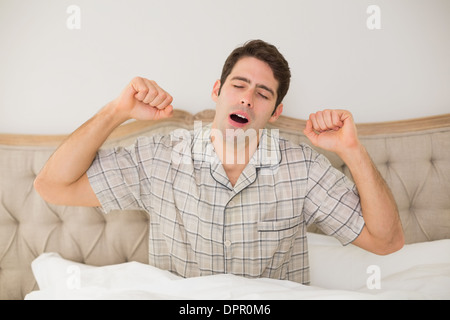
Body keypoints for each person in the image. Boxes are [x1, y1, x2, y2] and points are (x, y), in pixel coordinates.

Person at [34, 40, 404, 284]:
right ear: (217, 90)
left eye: (262, 94)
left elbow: (386, 242)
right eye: (238, 85)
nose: (246, 100)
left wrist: (353, 151)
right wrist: (117, 111)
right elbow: (52, 186)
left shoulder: (302, 168)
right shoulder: (160, 156)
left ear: (275, 112)